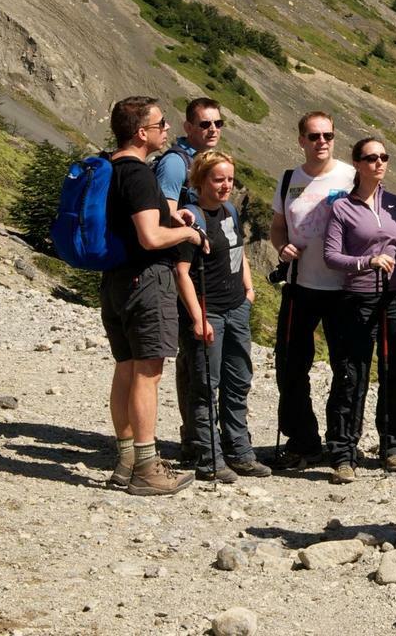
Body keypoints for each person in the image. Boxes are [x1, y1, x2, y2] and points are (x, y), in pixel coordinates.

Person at [100, 96, 207, 497]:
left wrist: (170, 215)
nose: (167, 130)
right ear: (142, 132)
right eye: (161, 124)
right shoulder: (140, 174)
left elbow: (134, 223)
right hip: (145, 282)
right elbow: (150, 237)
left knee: (125, 366)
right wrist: (188, 234)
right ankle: (146, 466)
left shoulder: (110, 167)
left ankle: (126, 459)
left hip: (115, 280)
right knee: (148, 372)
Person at [172, 150, 272, 482]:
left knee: (238, 381)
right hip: (209, 311)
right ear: (200, 181)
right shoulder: (191, 218)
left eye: (229, 179)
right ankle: (210, 460)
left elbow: (238, 251)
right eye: (218, 179)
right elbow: (181, 272)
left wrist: (248, 288)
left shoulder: (229, 209)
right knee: (205, 387)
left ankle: (240, 452)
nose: (226, 185)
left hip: (236, 307)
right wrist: (198, 318)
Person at [323, 137, 396, 480]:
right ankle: (343, 452)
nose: (379, 163)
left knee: (395, 372)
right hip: (357, 299)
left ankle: (393, 447)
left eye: (384, 157)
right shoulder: (342, 208)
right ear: (358, 164)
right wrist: (367, 261)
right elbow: (331, 256)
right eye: (371, 158)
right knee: (352, 375)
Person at [270, 111, 355, 469]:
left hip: (345, 289)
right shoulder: (289, 178)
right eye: (314, 136)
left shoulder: (352, 176)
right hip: (300, 283)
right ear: (301, 140)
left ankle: (341, 447)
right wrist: (281, 247)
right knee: (290, 366)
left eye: (328, 135)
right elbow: (278, 225)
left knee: (346, 369)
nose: (322, 141)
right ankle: (303, 441)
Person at [153, 96, 224, 463]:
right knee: (193, 357)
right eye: (204, 124)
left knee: (201, 358)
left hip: (203, 274)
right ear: (188, 127)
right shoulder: (176, 165)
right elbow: (162, 218)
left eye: (217, 123)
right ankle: (195, 440)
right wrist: (191, 232)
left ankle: (200, 436)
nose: (212, 130)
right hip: (181, 273)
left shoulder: (200, 162)